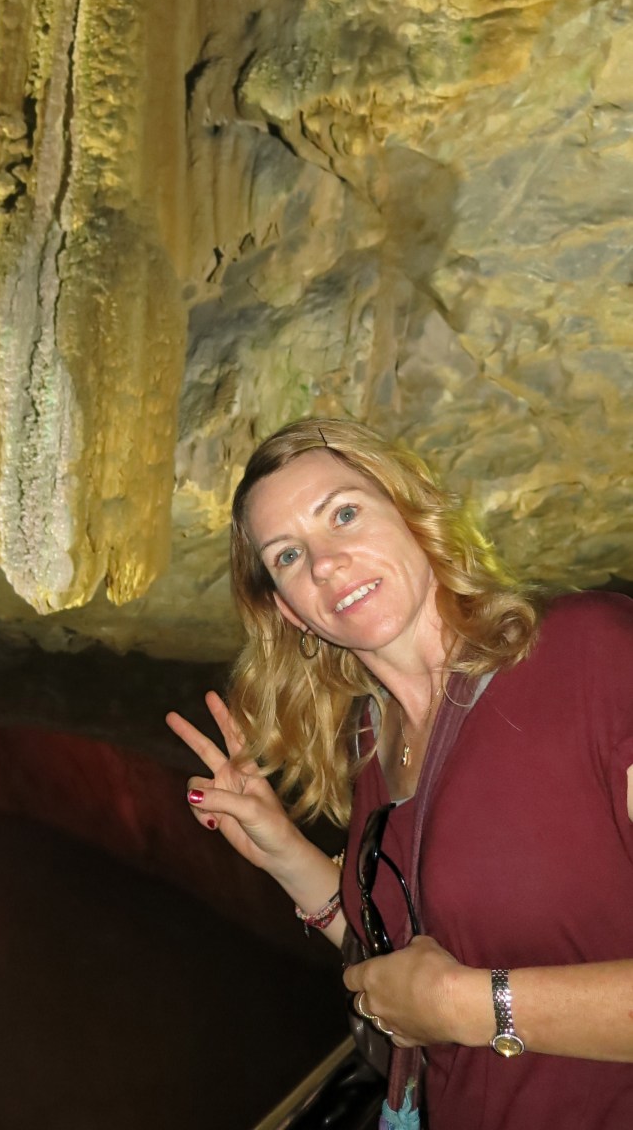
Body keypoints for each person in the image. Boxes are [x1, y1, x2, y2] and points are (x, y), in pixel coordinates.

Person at [166, 417, 633, 1130]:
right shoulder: (373, 737)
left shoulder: (589, 654)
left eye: (344, 514)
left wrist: (468, 1007)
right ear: (289, 611)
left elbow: (439, 996)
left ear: (412, 510)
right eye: (288, 555)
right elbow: (409, 962)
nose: (325, 564)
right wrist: (282, 850)